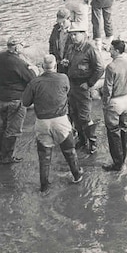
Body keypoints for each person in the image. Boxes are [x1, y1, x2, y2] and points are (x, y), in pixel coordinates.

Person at [21, 54, 83, 193]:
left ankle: (44, 186)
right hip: (60, 120)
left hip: (42, 122)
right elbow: (67, 92)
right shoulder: (63, 78)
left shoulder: (34, 82)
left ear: (42, 67)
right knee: (69, 151)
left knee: (44, 157)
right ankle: (77, 175)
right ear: (55, 66)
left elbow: (25, 102)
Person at [0, 36, 36, 164]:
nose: (23, 48)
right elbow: (33, 79)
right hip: (16, 101)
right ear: (17, 47)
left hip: (0, 99)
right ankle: (7, 157)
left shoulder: (0, 57)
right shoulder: (19, 63)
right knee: (13, 129)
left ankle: (0, 154)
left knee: (2, 126)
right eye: (22, 46)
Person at [101, 39, 127, 172]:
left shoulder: (111, 67)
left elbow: (107, 89)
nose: (109, 51)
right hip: (126, 100)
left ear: (117, 51)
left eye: (111, 49)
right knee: (124, 129)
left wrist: (105, 104)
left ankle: (117, 164)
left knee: (113, 132)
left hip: (114, 101)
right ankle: (123, 158)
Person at [66, 24, 104, 154]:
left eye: (75, 34)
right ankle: (82, 140)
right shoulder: (72, 48)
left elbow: (100, 68)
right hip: (72, 86)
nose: (73, 37)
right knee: (74, 114)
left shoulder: (90, 49)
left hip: (83, 87)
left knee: (85, 116)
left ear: (83, 34)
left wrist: (89, 83)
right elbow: (71, 61)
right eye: (71, 34)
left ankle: (92, 141)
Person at [49, 7, 73, 74]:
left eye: (63, 22)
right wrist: (55, 60)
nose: (61, 24)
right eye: (59, 22)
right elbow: (51, 44)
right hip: (59, 64)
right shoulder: (56, 29)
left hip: (72, 66)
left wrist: (69, 60)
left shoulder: (76, 31)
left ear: (69, 19)